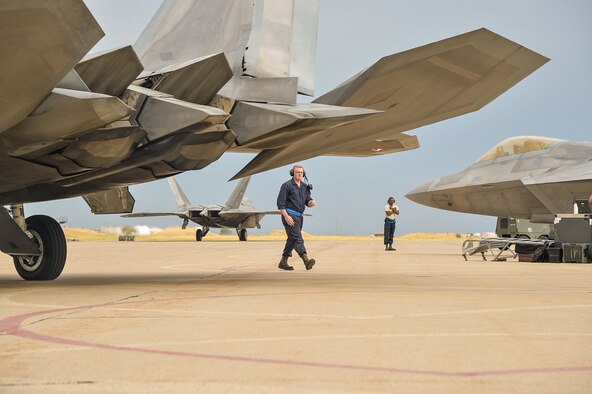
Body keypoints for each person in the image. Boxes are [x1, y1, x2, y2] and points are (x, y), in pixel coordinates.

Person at [276, 165, 316, 270]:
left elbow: (308, 201)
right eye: (297, 172)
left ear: (304, 174)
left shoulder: (304, 187)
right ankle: (306, 260)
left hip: (300, 217)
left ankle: (283, 262)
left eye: (301, 172)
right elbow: (280, 204)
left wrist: (311, 203)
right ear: (292, 173)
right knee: (298, 238)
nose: (299, 174)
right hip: (290, 215)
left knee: (292, 239)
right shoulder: (286, 186)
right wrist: (286, 216)